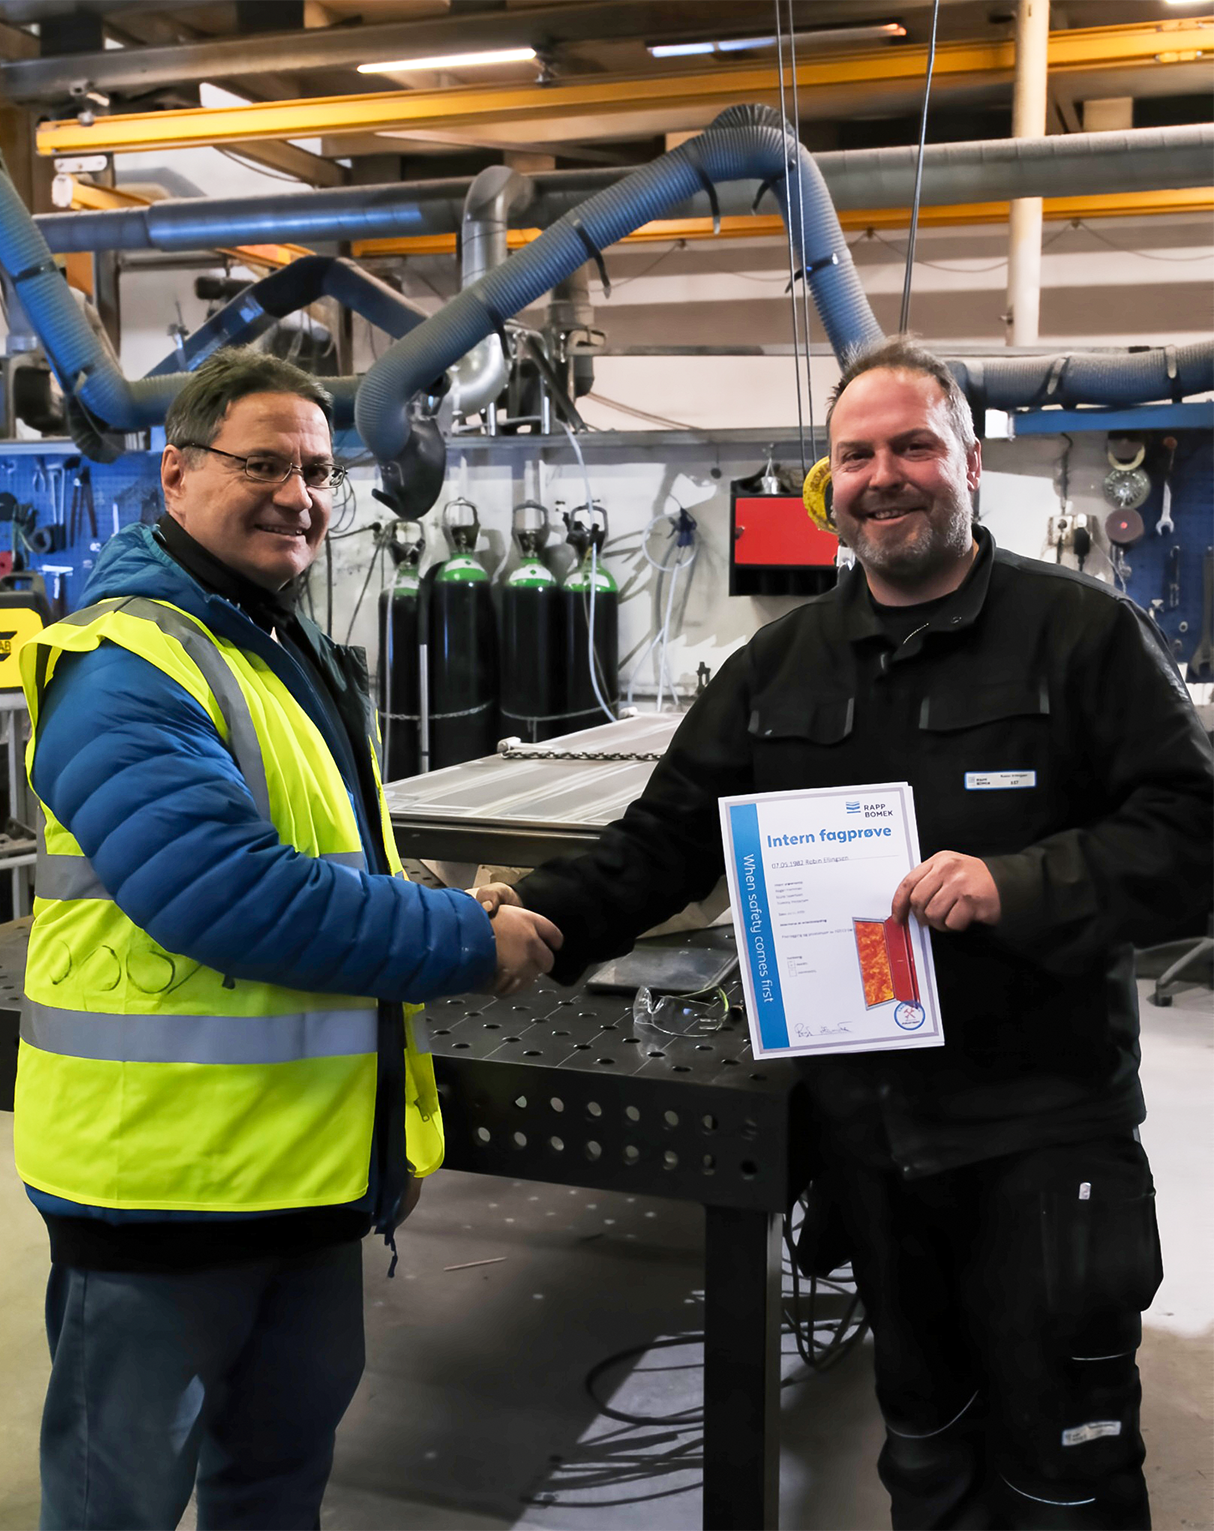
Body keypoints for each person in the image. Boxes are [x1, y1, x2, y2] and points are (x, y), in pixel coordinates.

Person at [477, 336, 1214, 1529]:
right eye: (855, 455)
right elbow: (663, 838)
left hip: (1039, 1134)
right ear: (830, 484)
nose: (884, 475)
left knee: (1062, 1464)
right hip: (871, 1139)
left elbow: (1192, 841)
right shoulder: (779, 664)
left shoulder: (1079, 637)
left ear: (969, 462)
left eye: (914, 445)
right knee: (921, 1443)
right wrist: (542, 918)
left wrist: (1018, 883)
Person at [13, 347, 561, 1531]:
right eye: (262, 463)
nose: (298, 494)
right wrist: (471, 938)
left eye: (318, 470)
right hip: (158, 1192)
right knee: (120, 1503)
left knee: (274, 1485)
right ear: (175, 476)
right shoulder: (127, 662)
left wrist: (379, 1139)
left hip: (301, 1179)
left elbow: (320, 854)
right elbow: (230, 894)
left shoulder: (278, 646)